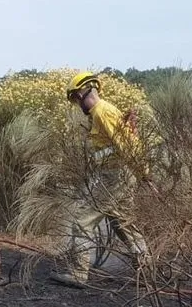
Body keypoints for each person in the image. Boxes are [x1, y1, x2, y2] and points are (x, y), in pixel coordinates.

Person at [50, 71, 151, 288]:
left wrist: (144, 174)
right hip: (119, 175)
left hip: (115, 176)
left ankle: (78, 273)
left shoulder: (102, 112)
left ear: (81, 94)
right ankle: (146, 271)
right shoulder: (101, 112)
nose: (77, 104)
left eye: (75, 99)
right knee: (122, 222)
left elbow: (128, 145)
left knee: (82, 221)